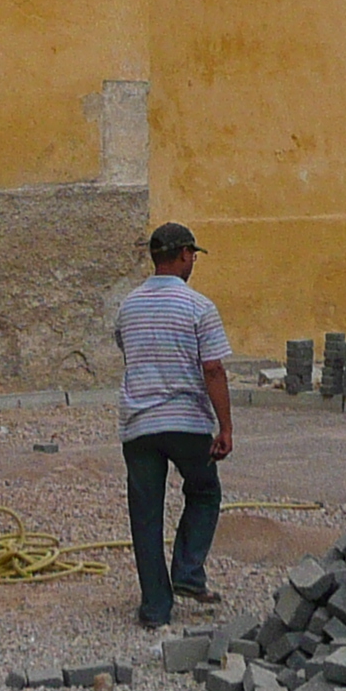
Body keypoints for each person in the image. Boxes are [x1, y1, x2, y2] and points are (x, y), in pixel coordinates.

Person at [115, 222, 232, 630]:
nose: (194, 261)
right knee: (203, 491)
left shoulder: (128, 305)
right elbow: (213, 369)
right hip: (186, 422)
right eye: (192, 255)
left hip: (139, 424)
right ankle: (187, 571)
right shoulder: (199, 306)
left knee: (145, 515)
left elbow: (127, 349)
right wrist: (225, 428)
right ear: (183, 255)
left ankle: (155, 608)